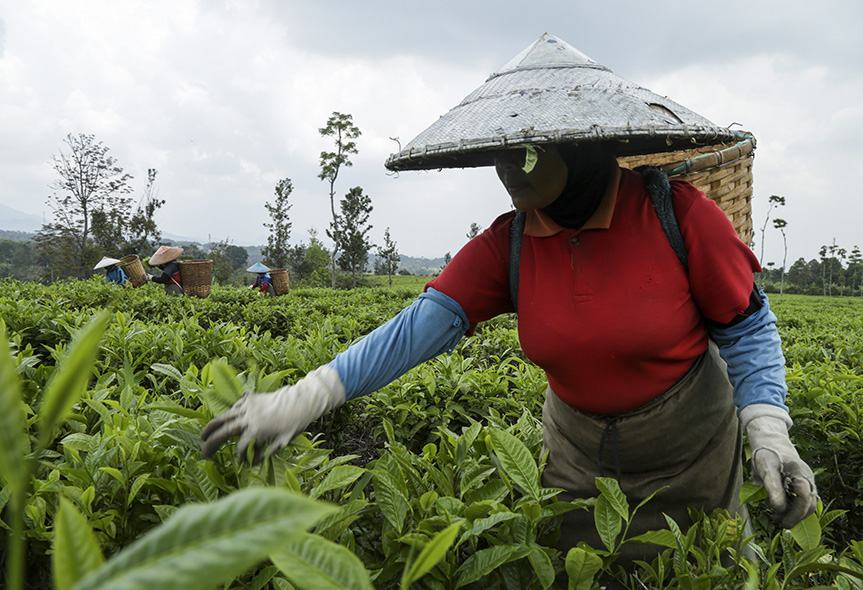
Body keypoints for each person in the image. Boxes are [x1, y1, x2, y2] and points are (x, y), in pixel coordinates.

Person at [201, 34, 817, 566]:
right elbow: (416, 330)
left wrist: (767, 427)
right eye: (498, 157)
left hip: (691, 455)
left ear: (580, 147)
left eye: (524, 153)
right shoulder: (512, 243)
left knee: (701, 564)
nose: (508, 173)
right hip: (576, 458)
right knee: (578, 564)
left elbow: (746, 326)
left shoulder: (679, 216)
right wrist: (305, 398)